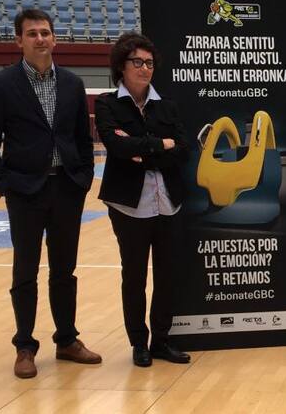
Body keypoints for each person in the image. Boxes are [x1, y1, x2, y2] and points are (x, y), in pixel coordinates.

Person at [0, 9, 102, 378]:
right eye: (32, 33)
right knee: (25, 271)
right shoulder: (0, 84)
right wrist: (2, 183)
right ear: (19, 41)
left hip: (66, 187)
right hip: (24, 190)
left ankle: (67, 340)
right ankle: (25, 346)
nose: (40, 39)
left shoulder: (73, 83)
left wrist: (83, 177)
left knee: (64, 270)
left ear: (55, 38)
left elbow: (82, 138)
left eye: (45, 32)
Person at [94, 32, 191, 367]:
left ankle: (161, 341)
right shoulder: (106, 104)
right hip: (128, 206)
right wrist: (160, 144)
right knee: (134, 276)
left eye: (149, 63)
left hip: (169, 203)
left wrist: (141, 149)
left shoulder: (167, 106)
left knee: (168, 275)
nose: (145, 68)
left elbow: (183, 150)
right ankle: (139, 343)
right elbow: (116, 146)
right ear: (121, 66)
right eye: (137, 62)